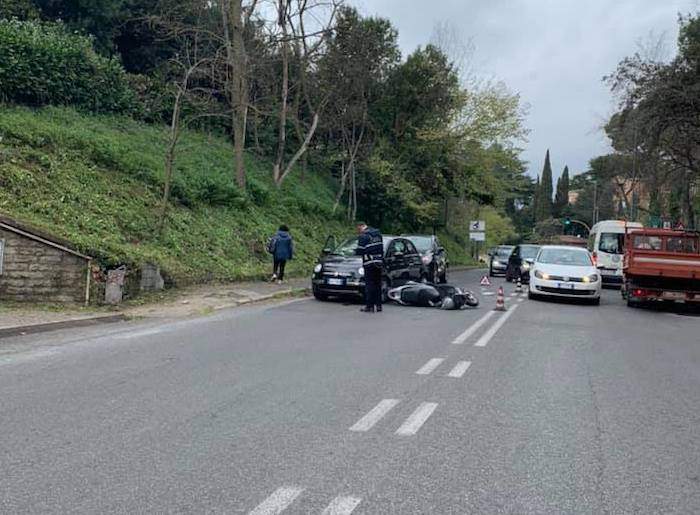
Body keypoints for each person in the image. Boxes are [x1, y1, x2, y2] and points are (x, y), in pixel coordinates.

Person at [355, 222, 384, 313]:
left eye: (358, 229)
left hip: (369, 263)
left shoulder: (363, 236)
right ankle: (379, 306)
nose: (358, 232)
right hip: (379, 262)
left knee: (369, 285)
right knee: (377, 284)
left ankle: (369, 306)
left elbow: (360, 251)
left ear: (361, 227)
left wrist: (356, 251)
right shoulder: (378, 234)